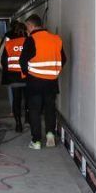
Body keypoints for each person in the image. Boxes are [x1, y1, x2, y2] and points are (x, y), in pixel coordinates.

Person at [19, 14, 66, 150]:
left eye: (27, 27)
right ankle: (50, 134)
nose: (26, 30)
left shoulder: (31, 39)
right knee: (50, 109)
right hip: (51, 82)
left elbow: (22, 61)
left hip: (35, 82)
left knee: (35, 111)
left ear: (31, 26)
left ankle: (37, 141)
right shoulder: (56, 39)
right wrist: (54, 72)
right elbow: (63, 59)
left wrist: (26, 75)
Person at [0, 21, 27, 133]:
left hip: (14, 76)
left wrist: (6, 74)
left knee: (16, 100)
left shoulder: (9, 43)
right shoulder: (28, 41)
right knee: (28, 98)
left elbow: (3, 60)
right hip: (27, 76)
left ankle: (18, 124)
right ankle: (28, 119)